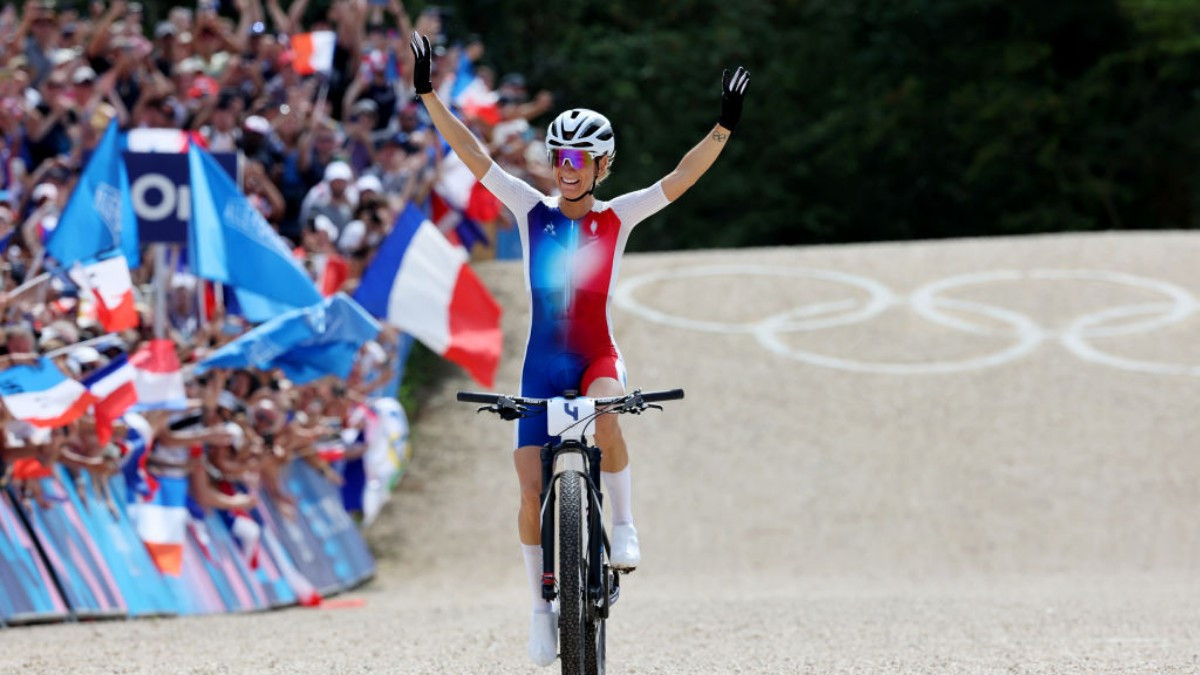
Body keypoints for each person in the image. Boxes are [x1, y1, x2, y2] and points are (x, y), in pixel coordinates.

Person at [409, 32, 750, 667]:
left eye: (580, 158)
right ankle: (540, 610)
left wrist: (722, 129)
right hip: (541, 365)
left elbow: (679, 178)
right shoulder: (528, 209)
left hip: (595, 356)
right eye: (560, 155)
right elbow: (472, 153)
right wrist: (428, 95)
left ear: (601, 166)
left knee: (611, 406)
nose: (566, 167)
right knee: (527, 480)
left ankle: (622, 525)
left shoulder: (618, 217)